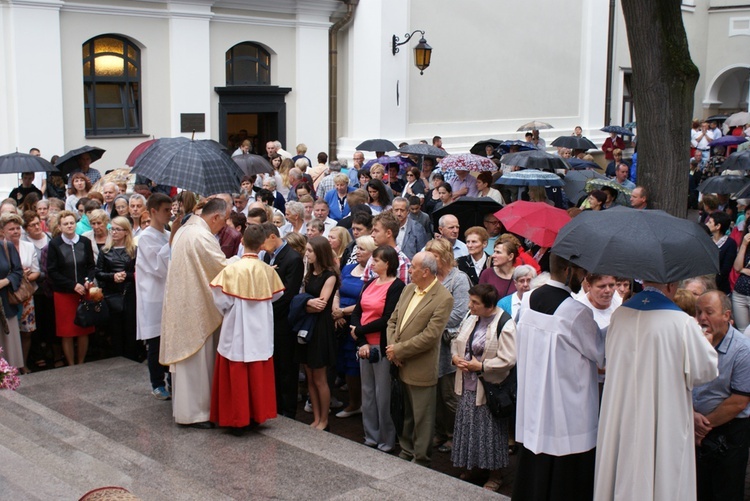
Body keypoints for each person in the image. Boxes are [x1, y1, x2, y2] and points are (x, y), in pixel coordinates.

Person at [594, 281, 718, 501]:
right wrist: (706, 343)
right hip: (664, 412)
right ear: (671, 284)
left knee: (621, 466)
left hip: (621, 410)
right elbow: (704, 371)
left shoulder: (620, 315)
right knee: (664, 474)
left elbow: (606, 357)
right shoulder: (681, 322)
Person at [512, 253, 604, 500]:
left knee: (536, 468)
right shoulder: (575, 311)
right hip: (567, 407)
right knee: (566, 478)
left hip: (535, 401)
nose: (584, 276)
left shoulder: (530, 299)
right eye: (581, 271)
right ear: (568, 270)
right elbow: (601, 354)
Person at [160, 198, 232, 428]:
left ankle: (188, 410)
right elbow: (221, 267)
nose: (223, 226)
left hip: (183, 302)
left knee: (190, 361)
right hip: (195, 306)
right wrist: (248, 264)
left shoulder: (185, 229)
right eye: (223, 221)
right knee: (196, 361)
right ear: (215, 217)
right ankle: (196, 413)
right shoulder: (200, 236)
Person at [209, 225, 284, 433]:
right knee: (257, 371)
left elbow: (220, 300)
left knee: (236, 370)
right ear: (262, 245)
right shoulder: (268, 272)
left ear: (242, 241)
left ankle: (236, 418)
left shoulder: (231, 270)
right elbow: (277, 296)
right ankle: (256, 416)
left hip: (236, 329)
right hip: (260, 330)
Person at [386, 251, 453, 466]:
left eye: (413, 267)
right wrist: (393, 349)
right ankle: (406, 450)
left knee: (422, 417)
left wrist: (399, 351)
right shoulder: (408, 289)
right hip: (399, 361)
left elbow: (430, 337)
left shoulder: (443, 298)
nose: (409, 270)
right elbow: (392, 321)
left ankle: (421, 458)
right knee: (406, 412)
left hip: (420, 366)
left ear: (425, 272)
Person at [451, 283, 516, 492]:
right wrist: (455, 357)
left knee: (490, 432)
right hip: (467, 384)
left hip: (489, 387)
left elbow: (509, 358)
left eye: (475, 303)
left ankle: (495, 474)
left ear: (489, 305)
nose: (470, 306)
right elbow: (457, 340)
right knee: (470, 427)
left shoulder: (504, 323)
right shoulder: (472, 318)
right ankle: (474, 466)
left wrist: (481, 366)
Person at [693, 291, 750, 501]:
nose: (701, 318)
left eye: (709, 312)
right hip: (694, 426)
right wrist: (691, 416)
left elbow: (739, 401)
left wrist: (702, 427)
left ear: (727, 315)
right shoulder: (692, 341)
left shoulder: (743, 350)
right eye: (699, 312)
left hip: (729, 431)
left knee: (726, 491)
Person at [351, 244, 406, 451]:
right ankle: (370, 436)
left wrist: (359, 330)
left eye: (376, 261)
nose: (372, 264)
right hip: (365, 344)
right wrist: (361, 340)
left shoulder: (397, 286)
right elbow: (357, 312)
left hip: (382, 344)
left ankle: (386, 439)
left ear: (388, 264)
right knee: (367, 393)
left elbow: (388, 318)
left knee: (383, 395)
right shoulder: (371, 283)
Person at [424, 238, 471, 457]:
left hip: (448, 344)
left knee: (449, 394)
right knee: (433, 392)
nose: (427, 259)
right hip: (430, 343)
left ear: (443, 257)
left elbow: (458, 315)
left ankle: (456, 435)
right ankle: (440, 431)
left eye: (432, 255)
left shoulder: (459, 279)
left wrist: (428, 318)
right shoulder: (429, 277)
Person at [261, 222, 304, 418]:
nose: (261, 247)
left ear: (272, 237)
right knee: (275, 365)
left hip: (283, 320)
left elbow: (288, 294)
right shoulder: (267, 256)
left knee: (287, 367)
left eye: (263, 242)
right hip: (271, 321)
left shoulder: (293, 258)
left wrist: (266, 309)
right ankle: (275, 404)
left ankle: (287, 409)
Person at [297, 236, 340, 431]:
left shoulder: (330, 275)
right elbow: (307, 302)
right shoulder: (309, 274)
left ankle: (324, 419)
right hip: (308, 326)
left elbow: (321, 304)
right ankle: (315, 417)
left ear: (319, 252)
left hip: (321, 329)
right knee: (310, 377)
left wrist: (303, 304)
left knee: (320, 378)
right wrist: (306, 304)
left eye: (309, 251)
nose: (306, 254)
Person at [135, 193, 172, 400]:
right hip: (153, 297)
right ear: (153, 211)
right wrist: (173, 239)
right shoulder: (146, 237)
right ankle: (157, 383)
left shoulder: (166, 234)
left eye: (171, 209)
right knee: (156, 343)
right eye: (165, 210)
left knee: (168, 340)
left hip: (168, 294)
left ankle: (171, 380)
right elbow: (160, 266)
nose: (169, 214)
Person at [47, 210, 96, 366]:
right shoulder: (54, 244)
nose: (69, 226)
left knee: (83, 330)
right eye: (65, 224)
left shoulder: (84, 242)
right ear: (60, 226)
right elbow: (52, 271)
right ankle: (70, 364)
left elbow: (91, 266)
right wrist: (72, 285)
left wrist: (87, 280)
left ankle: (81, 362)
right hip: (64, 293)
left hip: (84, 291)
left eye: (71, 223)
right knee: (66, 331)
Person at [332, 235, 373, 419]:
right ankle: (353, 402)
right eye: (357, 248)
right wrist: (335, 309)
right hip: (339, 322)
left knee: (355, 365)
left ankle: (359, 403)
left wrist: (343, 312)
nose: (357, 252)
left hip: (358, 323)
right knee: (345, 362)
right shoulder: (348, 268)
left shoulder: (373, 274)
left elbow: (366, 301)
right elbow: (337, 291)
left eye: (362, 249)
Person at [96, 216, 139, 361]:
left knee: (130, 329)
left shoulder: (134, 250)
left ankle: (132, 357)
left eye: (117, 229)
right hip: (111, 294)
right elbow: (98, 272)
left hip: (129, 293)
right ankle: (117, 359)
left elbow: (139, 272)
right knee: (115, 330)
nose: (114, 232)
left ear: (126, 231)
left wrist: (125, 276)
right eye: (112, 229)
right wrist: (113, 277)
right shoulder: (105, 251)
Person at [1, 213, 36, 374]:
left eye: (17, 228)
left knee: (11, 338)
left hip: (9, 299)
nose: (15, 231)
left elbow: (17, 271)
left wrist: (5, 281)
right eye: (11, 228)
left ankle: (10, 372)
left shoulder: (6, 247)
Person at [706, 211, 737, 294]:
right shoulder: (706, 240)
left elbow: (725, 269)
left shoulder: (730, 244)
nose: (707, 224)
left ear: (718, 226)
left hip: (719, 288)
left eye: (710, 222)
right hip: (703, 284)